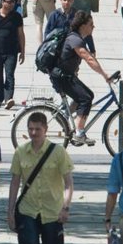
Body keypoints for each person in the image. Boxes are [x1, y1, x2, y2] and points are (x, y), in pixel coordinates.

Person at [8, 113, 74, 244]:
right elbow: (15, 182)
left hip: (52, 210)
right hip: (27, 209)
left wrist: (66, 207)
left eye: (38, 129)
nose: (34, 132)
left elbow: (68, 183)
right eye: (30, 128)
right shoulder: (21, 152)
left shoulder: (58, 152)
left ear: (46, 130)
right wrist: (10, 211)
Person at [51, 12, 112, 146]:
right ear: (83, 26)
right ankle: (79, 133)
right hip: (62, 77)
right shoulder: (75, 39)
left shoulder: (76, 38)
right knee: (85, 98)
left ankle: (64, 115)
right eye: (91, 24)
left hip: (66, 76)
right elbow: (89, 58)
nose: (93, 27)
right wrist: (104, 75)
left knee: (88, 94)